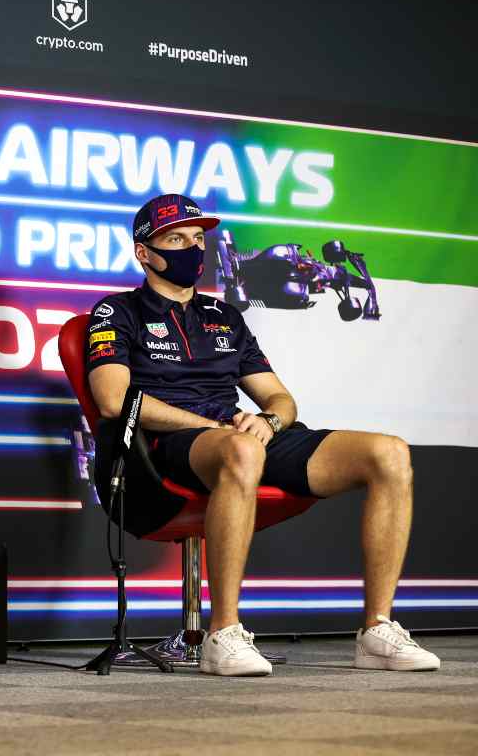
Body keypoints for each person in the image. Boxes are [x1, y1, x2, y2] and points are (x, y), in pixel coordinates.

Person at [85, 193, 440, 677]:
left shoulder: (225, 317)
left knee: (389, 453)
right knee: (239, 448)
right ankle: (223, 633)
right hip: (165, 449)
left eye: (197, 239)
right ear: (144, 253)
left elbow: (281, 400)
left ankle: (377, 629)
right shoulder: (115, 312)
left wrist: (269, 422)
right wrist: (213, 427)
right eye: (176, 240)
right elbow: (113, 401)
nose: (192, 249)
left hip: (241, 439)